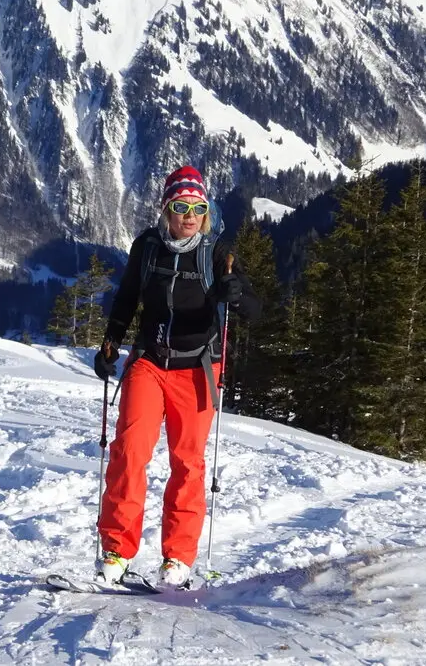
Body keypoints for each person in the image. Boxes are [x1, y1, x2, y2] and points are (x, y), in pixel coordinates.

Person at [92, 165, 260, 589]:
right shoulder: (148, 247)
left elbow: (256, 310)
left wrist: (235, 296)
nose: (188, 214)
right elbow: (128, 296)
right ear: (166, 208)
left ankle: (178, 559)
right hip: (149, 361)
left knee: (187, 464)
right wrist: (111, 342)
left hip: (197, 367)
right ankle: (116, 550)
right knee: (129, 450)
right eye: (180, 206)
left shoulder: (217, 252)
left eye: (197, 207)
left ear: (206, 212)